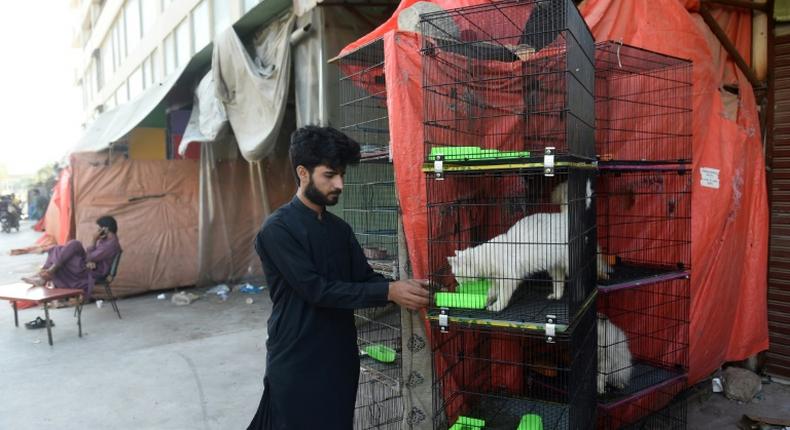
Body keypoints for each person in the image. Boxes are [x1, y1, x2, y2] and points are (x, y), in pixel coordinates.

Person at [247, 126, 429, 430]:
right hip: (297, 354)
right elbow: (317, 290)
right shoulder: (277, 230)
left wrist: (405, 289)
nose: (340, 184)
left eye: (341, 174)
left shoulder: (339, 229)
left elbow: (364, 278)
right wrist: (388, 292)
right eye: (330, 175)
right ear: (303, 173)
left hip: (340, 354)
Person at [22, 216, 121, 301]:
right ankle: (47, 273)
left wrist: (93, 240)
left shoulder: (110, 245)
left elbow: (89, 257)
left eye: (99, 229)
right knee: (71, 245)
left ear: (106, 229)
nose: (97, 232)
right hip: (90, 265)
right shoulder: (107, 240)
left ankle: (45, 275)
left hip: (93, 272)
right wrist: (91, 259)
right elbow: (92, 257)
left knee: (58, 251)